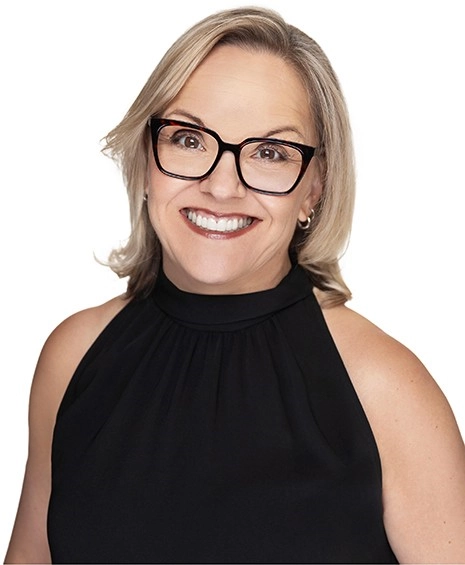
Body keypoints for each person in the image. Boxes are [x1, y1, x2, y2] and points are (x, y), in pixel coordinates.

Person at [4, 6, 465, 564]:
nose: (222, 187)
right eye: (189, 139)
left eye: (270, 153)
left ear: (314, 188)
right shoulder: (74, 356)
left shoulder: (384, 387)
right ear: (146, 159)